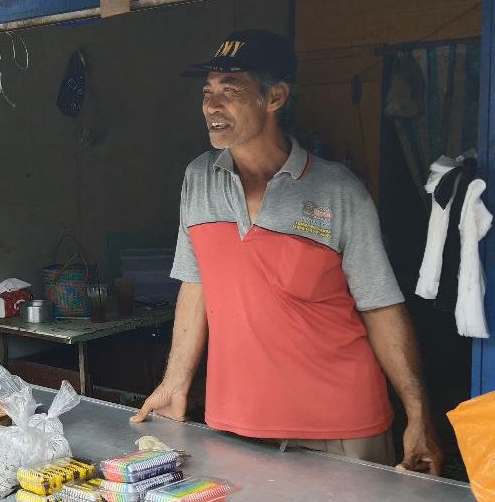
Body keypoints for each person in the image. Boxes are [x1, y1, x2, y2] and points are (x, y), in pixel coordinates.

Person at [132, 29, 443, 475]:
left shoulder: (337, 190)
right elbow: (196, 284)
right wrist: (174, 382)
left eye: (230, 91)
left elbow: (380, 306)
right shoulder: (199, 179)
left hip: (340, 427)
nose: (211, 106)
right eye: (207, 92)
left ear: (274, 97)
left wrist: (418, 413)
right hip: (237, 423)